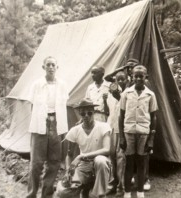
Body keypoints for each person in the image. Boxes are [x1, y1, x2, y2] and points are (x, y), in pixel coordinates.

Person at [26, 56, 69, 198]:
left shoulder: (62, 85)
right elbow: (32, 106)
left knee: (54, 161)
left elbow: (63, 106)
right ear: (43, 67)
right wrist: (38, 122)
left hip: (56, 123)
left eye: (53, 65)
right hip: (40, 123)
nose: (51, 67)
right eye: (48, 65)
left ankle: (47, 194)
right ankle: (32, 194)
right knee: (36, 162)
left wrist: (56, 124)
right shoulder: (37, 84)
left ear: (57, 67)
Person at [57, 98, 112, 198]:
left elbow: (107, 149)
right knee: (63, 192)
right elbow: (69, 155)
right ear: (79, 113)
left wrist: (82, 156)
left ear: (94, 112)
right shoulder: (75, 130)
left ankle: (100, 195)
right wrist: (69, 170)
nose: (86, 116)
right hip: (84, 166)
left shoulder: (104, 127)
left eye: (89, 113)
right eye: (83, 114)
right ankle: (83, 191)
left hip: (101, 166)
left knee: (100, 161)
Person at [119, 65, 158, 198]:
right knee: (129, 162)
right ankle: (127, 192)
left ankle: (140, 192)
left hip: (144, 133)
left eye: (141, 76)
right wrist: (121, 137)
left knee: (141, 163)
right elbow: (121, 115)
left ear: (145, 77)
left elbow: (153, 116)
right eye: (136, 76)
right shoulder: (126, 94)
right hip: (129, 132)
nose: (138, 78)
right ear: (132, 77)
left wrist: (151, 138)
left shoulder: (150, 95)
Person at [106, 71, 129, 197]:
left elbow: (128, 108)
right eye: (117, 79)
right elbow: (110, 111)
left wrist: (119, 97)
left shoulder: (129, 92)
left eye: (122, 79)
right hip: (111, 126)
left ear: (127, 80)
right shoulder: (112, 91)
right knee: (111, 155)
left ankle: (121, 186)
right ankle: (112, 184)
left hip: (123, 128)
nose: (120, 82)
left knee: (121, 157)